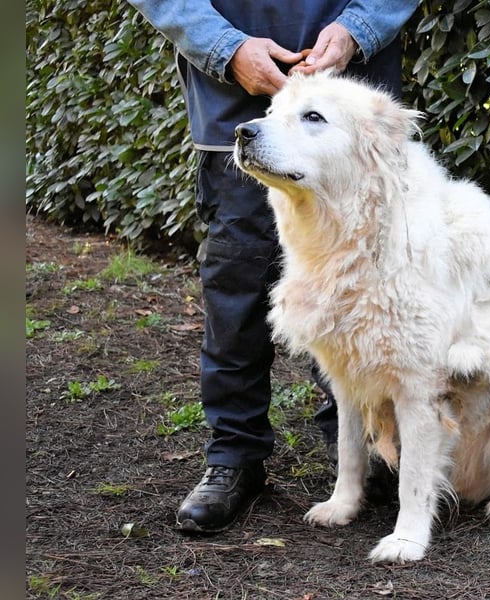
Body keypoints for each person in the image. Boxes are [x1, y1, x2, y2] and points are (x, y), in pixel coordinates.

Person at [126, 0, 420, 533]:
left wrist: (358, 28)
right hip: (234, 109)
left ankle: (360, 451)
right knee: (237, 290)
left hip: (347, 124)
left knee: (366, 292)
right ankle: (234, 458)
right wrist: (225, 48)